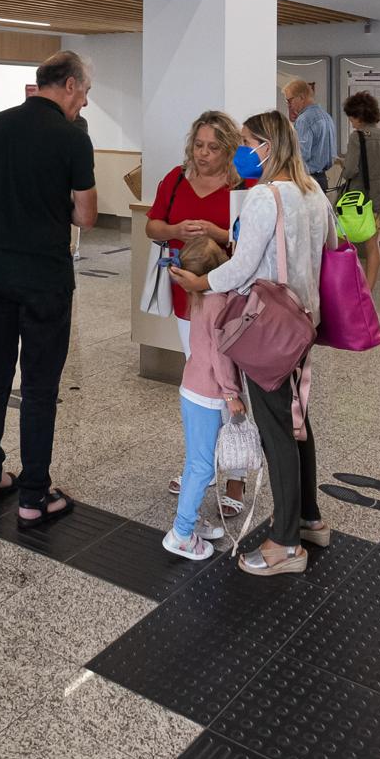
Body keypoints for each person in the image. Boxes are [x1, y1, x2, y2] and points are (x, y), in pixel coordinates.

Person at [172, 111, 333, 576]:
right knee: (298, 420)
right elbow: (330, 247)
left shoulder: (265, 197)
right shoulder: (313, 191)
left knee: (276, 429)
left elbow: (242, 269)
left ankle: (285, 544)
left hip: (267, 330)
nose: (242, 150)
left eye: (246, 142)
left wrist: (200, 281)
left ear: (266, 146)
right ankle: (309, 518)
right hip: (303, 322)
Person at [0, 51, 97, 528]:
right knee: (40, 387)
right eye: (84, 91)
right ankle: (33, 497)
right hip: (45, 277)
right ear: (69, 85)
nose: (84, 100)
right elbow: (85, 215)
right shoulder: (73, 138)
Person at [147, 111, 248, 517]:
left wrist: (216, 232)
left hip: (231, 301)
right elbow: (153, 227)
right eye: (199, 145)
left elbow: (251, 241)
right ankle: (202, 466)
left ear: (229, 150)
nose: (203, 155)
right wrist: (175, 230)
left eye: (213, 147)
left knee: (232, 387)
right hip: (185, 297)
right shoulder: (174, 179)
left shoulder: (246, 187)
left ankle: (237, 473)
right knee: (198, 384)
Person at [162, 236, 239, 561]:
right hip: (207, 395)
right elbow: (219, 357)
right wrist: (232, 394)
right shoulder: (219, 304)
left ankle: (190, 521)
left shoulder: (199, 299)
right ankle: (181, 533)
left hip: (191, 389)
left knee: (198, 462)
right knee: (201, 466)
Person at [335, 91, 380, 291]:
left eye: (352, 117)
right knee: (373, 246)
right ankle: (368, 291)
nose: (351, 122)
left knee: (341, 242)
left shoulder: (357, 137)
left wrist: (341, 164)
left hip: (358, 202)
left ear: (359, 116)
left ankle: (344, 285)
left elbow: (351, 170)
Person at [283, 78, 336, 191]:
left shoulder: (304, 120)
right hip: (322, 178)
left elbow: (300, 155)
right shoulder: (326, 116)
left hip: (307, 180)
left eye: (290, 100)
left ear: (301, 97)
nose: (289, 105)